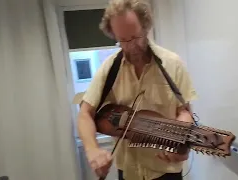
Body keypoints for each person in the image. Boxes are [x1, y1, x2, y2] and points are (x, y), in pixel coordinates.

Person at [77, 0, 198, 179]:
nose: (130, 45)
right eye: (123, 40)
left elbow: (185, 111)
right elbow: (85, 113)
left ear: (146, 27)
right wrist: (92, 150)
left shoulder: (173, 64)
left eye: (135, 37)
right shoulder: (109, 68)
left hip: (166, 171)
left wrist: (177, 139)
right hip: (128, 173)